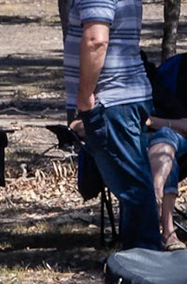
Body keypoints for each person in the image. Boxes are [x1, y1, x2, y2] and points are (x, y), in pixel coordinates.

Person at [63, 0, 158, 250]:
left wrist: (84, 96)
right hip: (124, 99)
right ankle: (136, 258)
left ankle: (146, 261)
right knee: (133, 184)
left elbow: (96, 40)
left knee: (132, 187)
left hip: (111, 101)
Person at [146, 114, 187, 250]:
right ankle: (168, 232)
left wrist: (152, 122)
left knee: (165, 136)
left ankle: (155, 195)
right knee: (168, 160)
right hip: (141, 145)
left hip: (177, 142)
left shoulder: (172, 99)